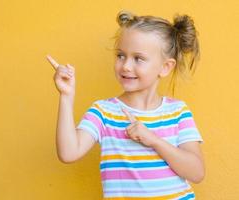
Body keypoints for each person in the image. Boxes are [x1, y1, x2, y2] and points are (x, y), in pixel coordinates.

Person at [46, 10, 205, 200]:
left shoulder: (178, 112)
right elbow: (68, 152)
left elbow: (196, 172)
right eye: (121, 55)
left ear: (165, 67)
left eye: (138, 58)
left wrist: (153, 140)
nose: (126, 66)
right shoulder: (104, 112)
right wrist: (66, 96)